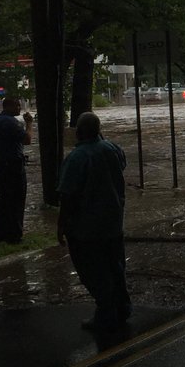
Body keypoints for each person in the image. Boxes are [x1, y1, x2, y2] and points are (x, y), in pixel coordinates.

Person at [57, 112, 131, 332]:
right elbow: (121, 166)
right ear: (99, 130)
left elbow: (68, 195)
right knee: (115, 266)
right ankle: (123, 307)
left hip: (86, 227)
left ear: (78, 132)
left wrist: (61, 224)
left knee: (92, 271)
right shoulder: (113, 149)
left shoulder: (76, 158)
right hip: (113, 221)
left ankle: (106, 313)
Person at [0, 96, 34, 243]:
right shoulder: (10, 122)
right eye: (17, 105)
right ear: (7, 106)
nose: (19, 108)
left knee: (3, 199)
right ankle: (15, 236)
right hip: (13, 165)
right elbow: (27, 139)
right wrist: (29, 123)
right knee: (17, 200)